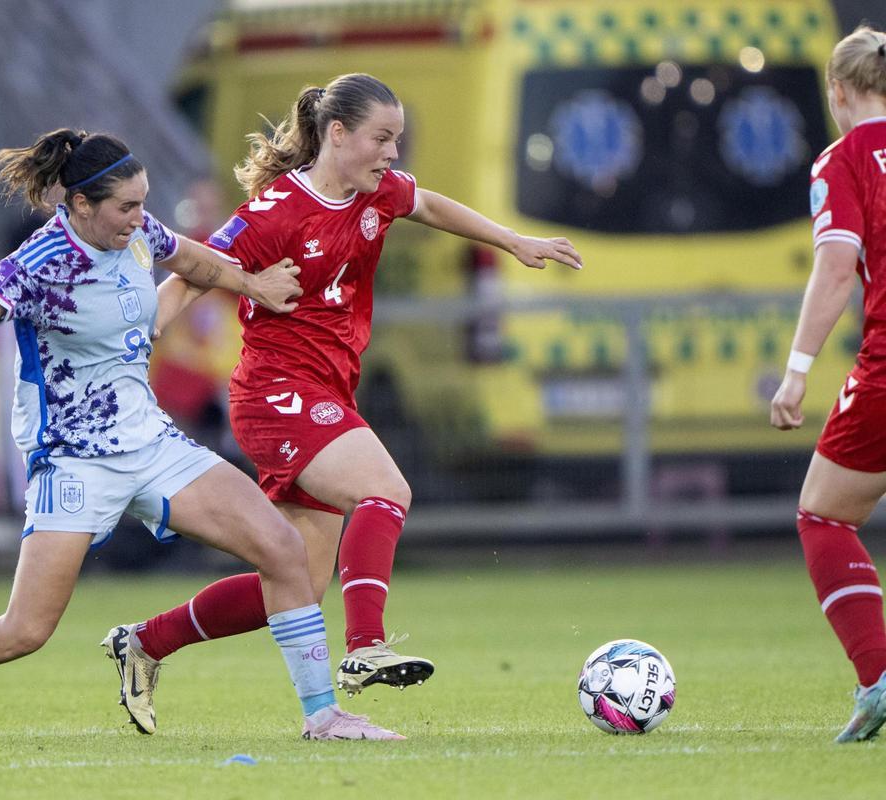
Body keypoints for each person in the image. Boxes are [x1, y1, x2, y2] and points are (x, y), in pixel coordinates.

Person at [0, 128, 403, 748]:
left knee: (283, 551)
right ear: (81, 205)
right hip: (74, 461)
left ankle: (323, 717)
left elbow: (194, 259)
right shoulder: (41, 262)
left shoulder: (140, 232)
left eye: (143, 203)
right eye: (125, 206)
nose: (139, 218)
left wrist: (252, 285)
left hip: (151, 444)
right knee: (25, 631)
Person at [102, 73, 582, 735]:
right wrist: (142, 340)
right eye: (381, 138)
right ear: (336, 134)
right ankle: (365, 649)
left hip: (326, 392)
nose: (392, 153)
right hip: (276, 394)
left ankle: (147, 642)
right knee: (386, 491)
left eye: (398, 140)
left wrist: (513, 241)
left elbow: (433, 206)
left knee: (293, 577)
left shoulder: (377, 192)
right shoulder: (274, 212)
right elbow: (193, 274)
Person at [770, 26, 886, 743]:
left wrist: (798, 370)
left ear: (837, 92)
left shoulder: (843, 160)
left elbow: (837, 266)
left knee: (824, 515)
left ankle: (877, 681)